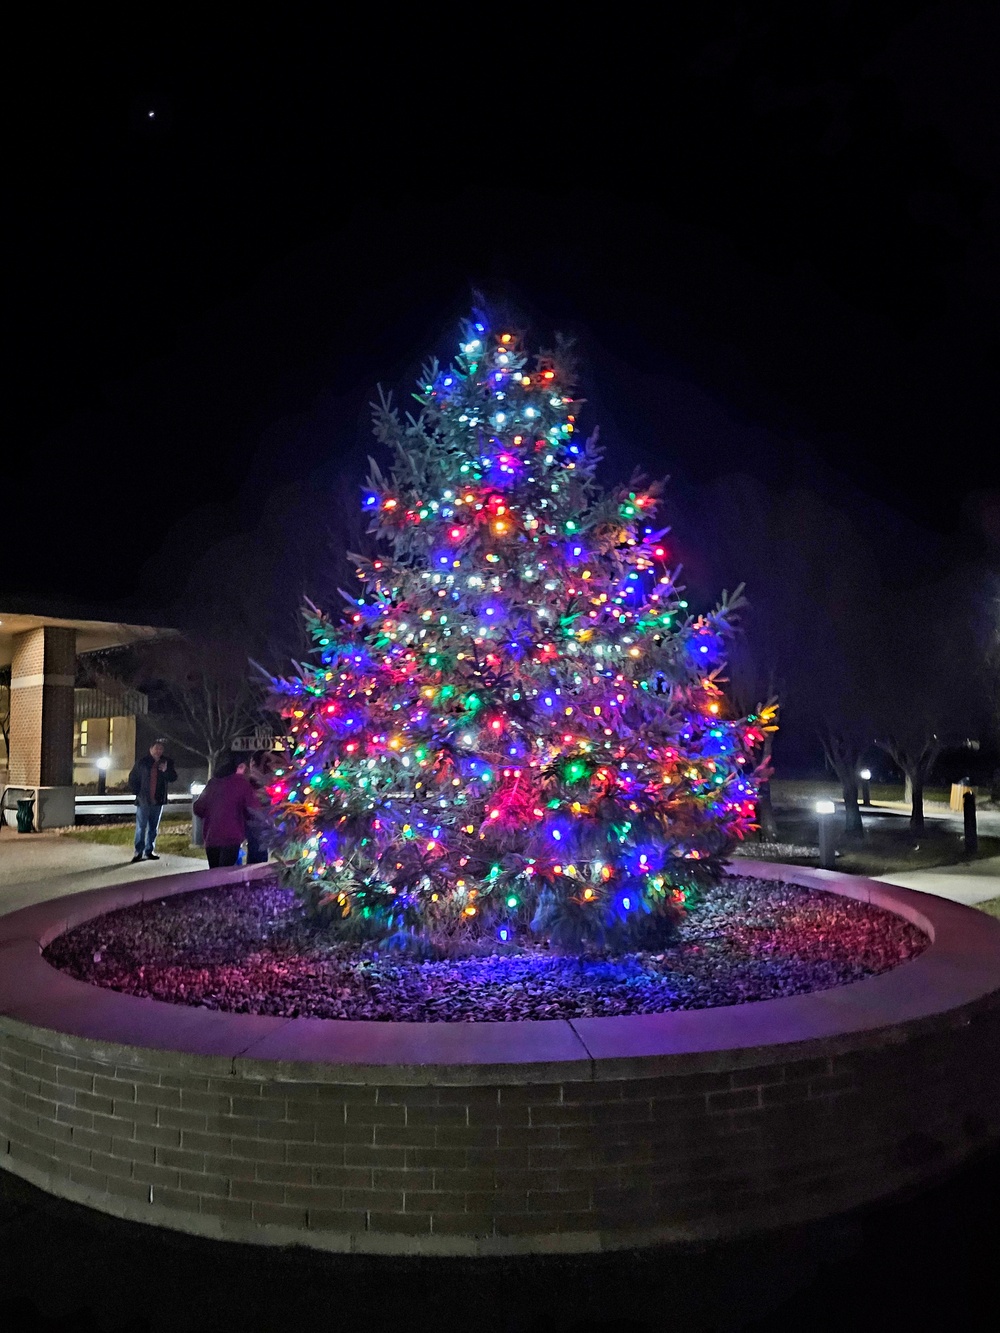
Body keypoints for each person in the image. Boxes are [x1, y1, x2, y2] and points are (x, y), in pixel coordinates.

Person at [192, 753, 259, 868]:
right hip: (231, 836)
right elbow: (253, 809)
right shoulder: (241, 783)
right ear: (241, 767)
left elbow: (198, 808)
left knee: (214, 872)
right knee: (226, 875)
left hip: (211, 836)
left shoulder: (213, 783)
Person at [128, 740, 177, 863]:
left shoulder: (166, 762)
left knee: (153, 828)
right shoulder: (142, 762)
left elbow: (173, 778)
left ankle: (149, 850)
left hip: (158, 800)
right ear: (151, 749)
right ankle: (138, 851)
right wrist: (137, 792)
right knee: (141, 827)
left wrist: (166, 771)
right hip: (144, 800)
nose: (158, 751)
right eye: (156, 748)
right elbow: (133, 777)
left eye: (160, 749)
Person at [245, 749, 274, 865]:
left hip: (258, 820)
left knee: (257, 850)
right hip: (260, 820)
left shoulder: (253, 780)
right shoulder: (254, 781)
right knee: (258, 850)